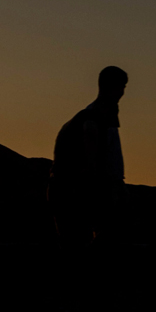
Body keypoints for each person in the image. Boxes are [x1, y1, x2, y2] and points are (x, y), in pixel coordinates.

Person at [50, 66, 129, 245]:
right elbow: (93, 158)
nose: (123, 93)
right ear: (112, 87)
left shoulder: (101, 116)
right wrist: (110, 186)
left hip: (76, 189)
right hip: (76, 190)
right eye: (121, 87)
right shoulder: (94, 118)